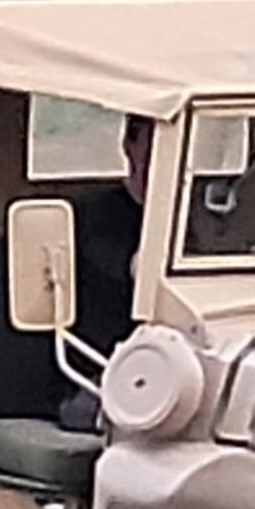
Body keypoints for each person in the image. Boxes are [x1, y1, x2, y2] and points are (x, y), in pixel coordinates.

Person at [56, 115, 151, 432]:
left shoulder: (186, 219)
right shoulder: (91, 220)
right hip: (95, 374)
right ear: (129, 144)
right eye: (154, 143)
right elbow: (133, 272)